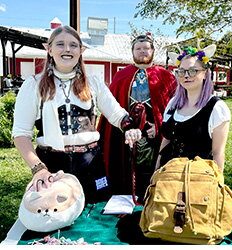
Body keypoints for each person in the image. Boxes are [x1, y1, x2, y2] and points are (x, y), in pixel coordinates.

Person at [12, 25, 141, 204]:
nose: (67, 49)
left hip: (91, 162)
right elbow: (21, 133)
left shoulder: (94, 83)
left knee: (96, 216)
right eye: (60, 44)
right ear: (48, 49)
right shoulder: (33, 85)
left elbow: (117, 114)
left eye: (73, 45)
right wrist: (39, 169)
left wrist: (129, 127)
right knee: (56, 219)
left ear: (81, 50)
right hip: (52, 166)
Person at [98, 34, 177, 201]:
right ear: (132, 51)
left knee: (152, 166)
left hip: (155, 135)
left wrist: (160, 127)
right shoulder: (122, 75)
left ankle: (152, 197)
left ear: (153, 51)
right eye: (138, 48)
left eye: (146, 48)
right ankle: (125, 199)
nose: (142, 52)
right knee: (126, 167)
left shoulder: (165, 76)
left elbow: (175, 108)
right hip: (125, 133)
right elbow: (110, 106)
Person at [156, 45, 231, 171]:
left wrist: (217, 184)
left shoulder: (216, 108)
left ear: (205, 74)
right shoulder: (173, 104)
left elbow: (218, 153)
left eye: (193, 70)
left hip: (198, 180)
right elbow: (166, 141)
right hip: (167, 178)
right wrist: (156, 170)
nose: (186, 76)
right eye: (181, 71)